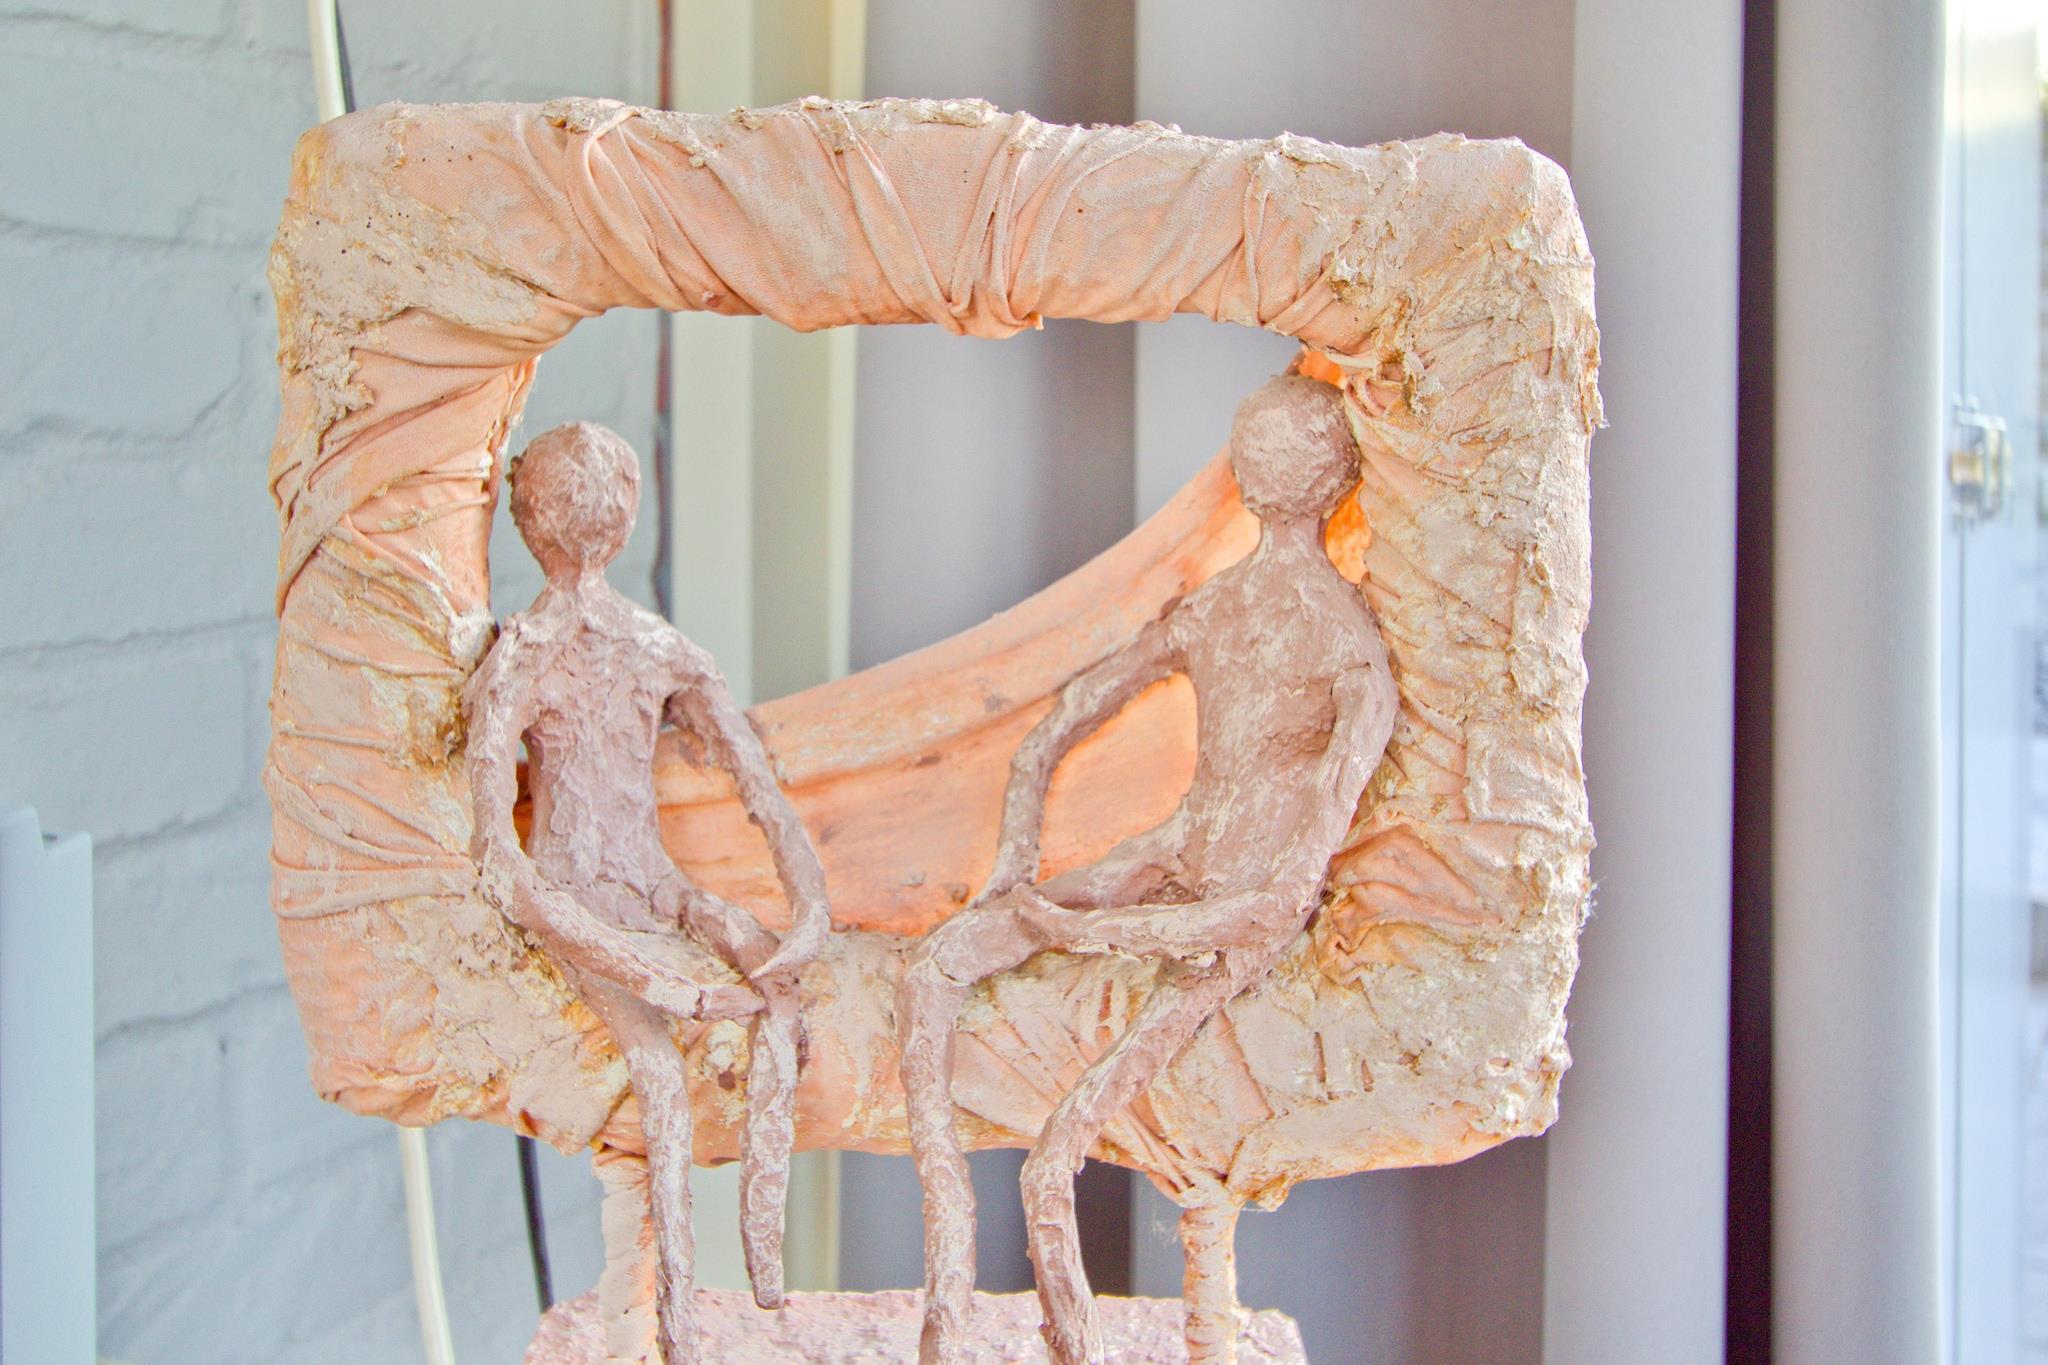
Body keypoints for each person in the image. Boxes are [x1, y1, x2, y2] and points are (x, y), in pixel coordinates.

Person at [897, 375, 1401, 1365]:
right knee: (938, 973)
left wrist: (1076, 920)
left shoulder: (1320, 646)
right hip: (1179, 867)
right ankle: (946, 1302)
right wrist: (1025, 886)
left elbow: (1272, 909)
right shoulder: (1301, 636)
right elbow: (1051, 735)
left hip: (1211, 914)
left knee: (1048, 1153)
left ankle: (979, 1312)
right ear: (1336, 479)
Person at [464, 422, 829, 1363]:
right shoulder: (525, 656)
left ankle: (764, 1276)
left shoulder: (646, 647)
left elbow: (761, 791)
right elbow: (505, 869)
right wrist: (644, 972)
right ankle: (675, 1331)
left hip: (655, 886)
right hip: (576, 900)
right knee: (659, 1075)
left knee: (781, 996)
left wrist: (807, 912)